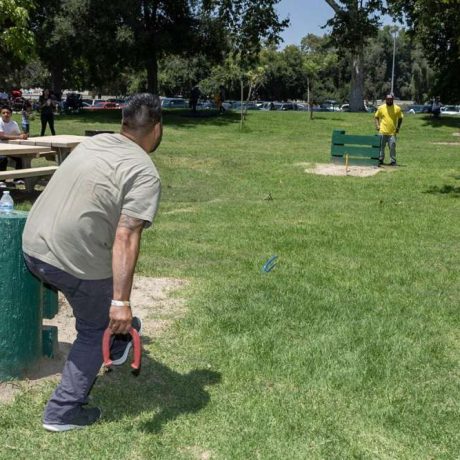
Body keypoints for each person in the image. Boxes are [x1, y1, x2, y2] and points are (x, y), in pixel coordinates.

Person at [22, 93, 163, 432]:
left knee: (103, 306)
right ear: (157, 129)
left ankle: (117, 344)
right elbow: (126, 236)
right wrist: (120, 303)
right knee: (96, 326)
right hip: (70, 260)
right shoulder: (144, 172)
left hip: (31, 244)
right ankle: (63, 411)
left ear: (122, 123)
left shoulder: (93, 143)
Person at [0, 105, 28, 186]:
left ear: (11, 114)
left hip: (10, 149)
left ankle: (18, 178)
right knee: (2, 158)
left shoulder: (14, 123)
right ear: (1, 114)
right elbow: (2, 137)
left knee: (21, 157)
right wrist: (19, 137)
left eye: (8, 113)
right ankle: (1, 180)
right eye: (3, 113)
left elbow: (18, 134)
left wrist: (24, 135)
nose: (6, 114)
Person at [374, 94, 403, 166]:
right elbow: (376, 117)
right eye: (388, 99)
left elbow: (400, 118)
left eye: (390, 99)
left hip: (392, 132)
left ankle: (393, 161)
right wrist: (377, 125)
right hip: (382, 131)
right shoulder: (381, 108)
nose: (389, 100)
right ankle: (380, 160)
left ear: (393, 99)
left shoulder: (397, 108)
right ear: (385, 99)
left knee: (392, 147)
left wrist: (398, 127)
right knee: (381, 147)